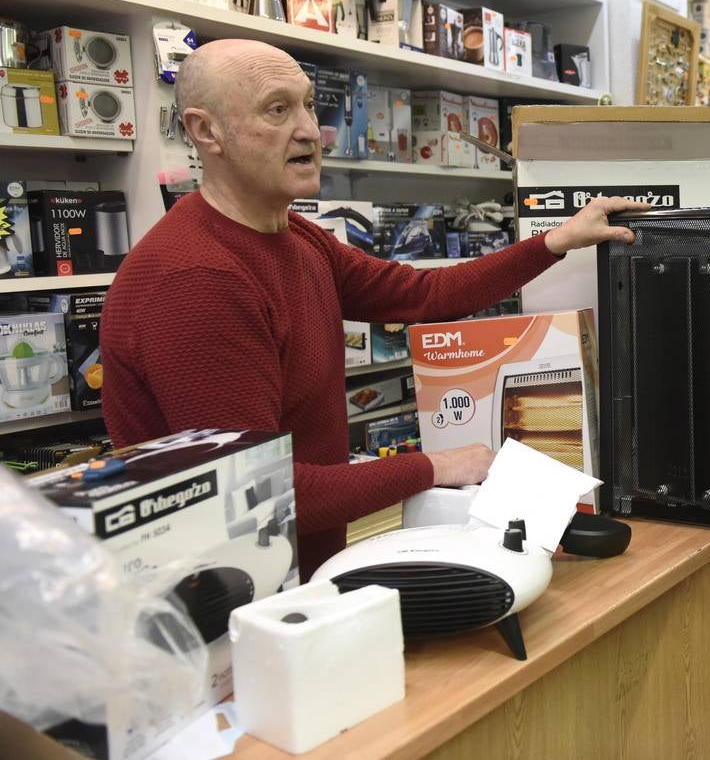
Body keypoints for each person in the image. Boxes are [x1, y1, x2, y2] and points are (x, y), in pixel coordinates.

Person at [100, 39, 646, 580]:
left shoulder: (296, 238)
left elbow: (422, 295)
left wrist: (556, 240)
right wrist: (434, 466)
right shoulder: (198, 280)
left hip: (302, 585)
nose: (311, 130)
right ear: (205, 131)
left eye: (310, 104)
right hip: (225, 612)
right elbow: (254, 497)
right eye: (277, 109)